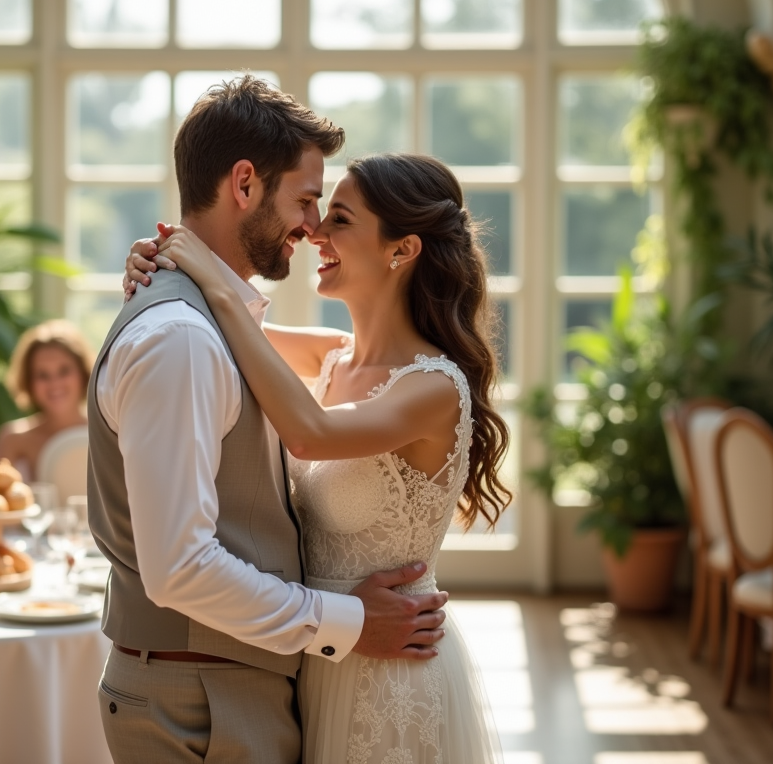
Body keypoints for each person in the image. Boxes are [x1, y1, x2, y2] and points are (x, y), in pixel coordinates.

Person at [88, 75, 450, 764]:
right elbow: (181, 569)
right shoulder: (182, 339)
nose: (313, 228)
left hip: (244, 685)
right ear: (245, 184)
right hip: (199, 700)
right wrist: (348, 621)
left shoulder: (208, 324)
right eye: (308, 201)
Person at [127, 152, 512, 762]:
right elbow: (210, 323)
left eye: (340, 219)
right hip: (322, 654)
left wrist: (211, 282)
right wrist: (165, 264)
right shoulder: (336, 356)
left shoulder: (434, 388)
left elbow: (308, 434)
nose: (314, 233)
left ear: (402, 250)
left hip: (390, 673)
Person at [0, 319, 91, 481]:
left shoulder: (110, 433)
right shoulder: (12, 439)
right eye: (42, 375)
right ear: (28, 382)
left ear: (84, 373)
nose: (55, 383)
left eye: (64, 371)